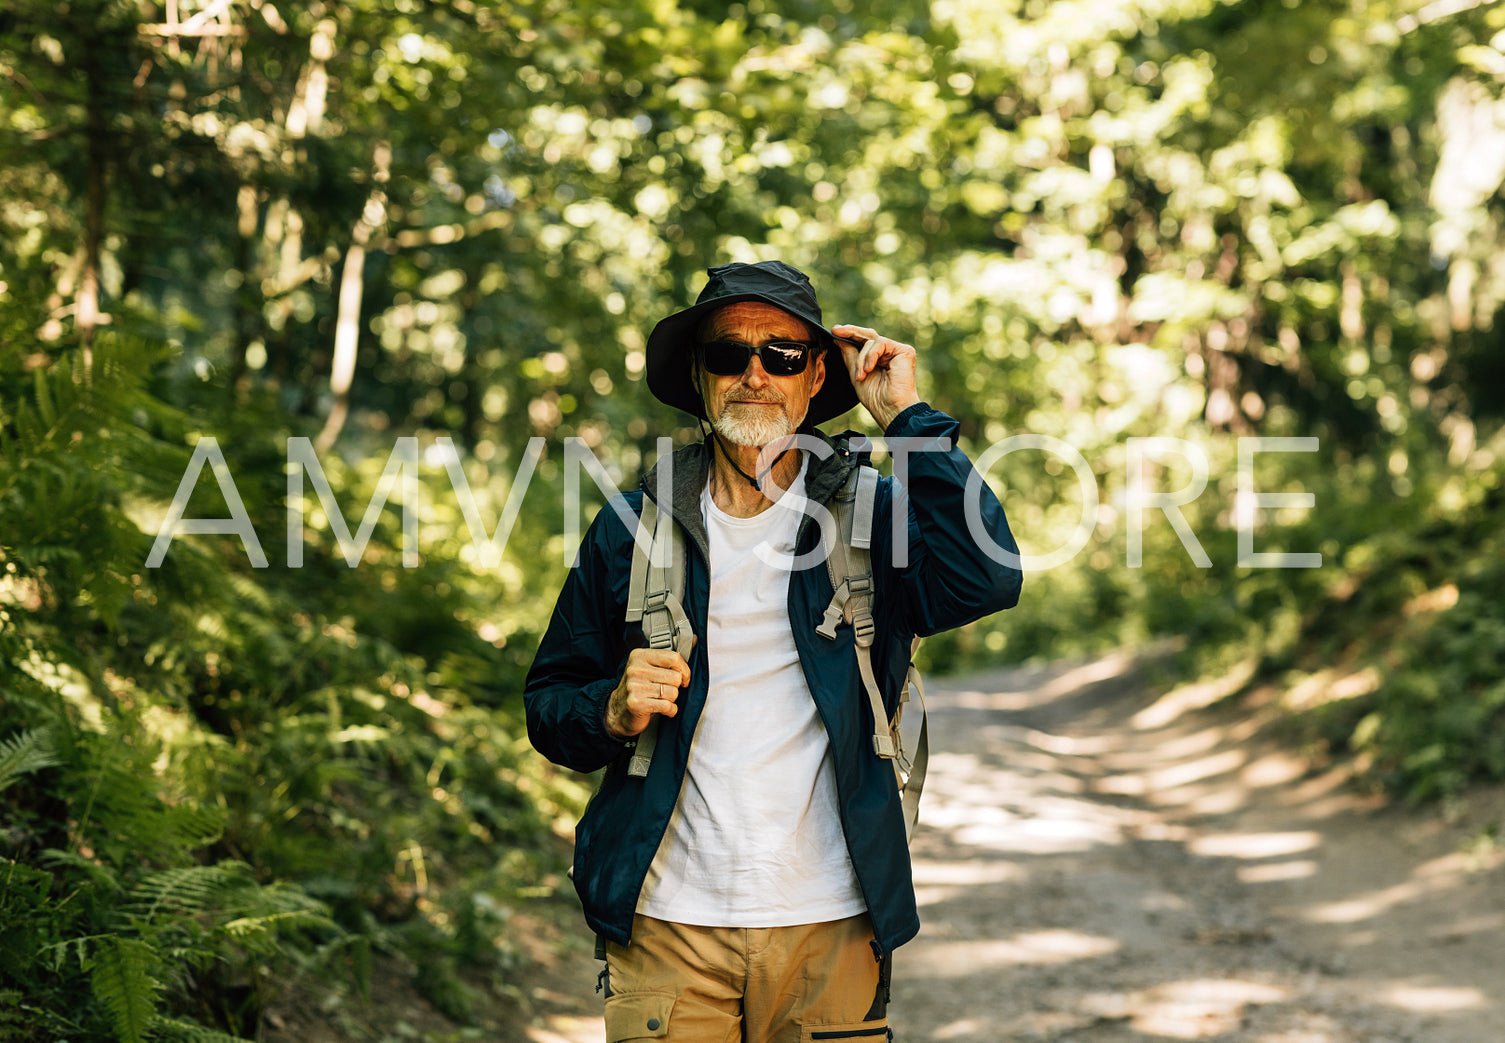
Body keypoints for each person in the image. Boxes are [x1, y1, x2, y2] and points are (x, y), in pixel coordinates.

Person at [525, 260, 1022, 1041]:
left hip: (832, 918)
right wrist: (611, 708)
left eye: (782, 354)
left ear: (815, 371)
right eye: (728, 353)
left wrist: (908, 418)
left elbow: (985, 577)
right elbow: (549, 705)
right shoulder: (632, 525)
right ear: (699, 375)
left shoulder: (872, 515)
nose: (754, 374)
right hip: (667, 924)